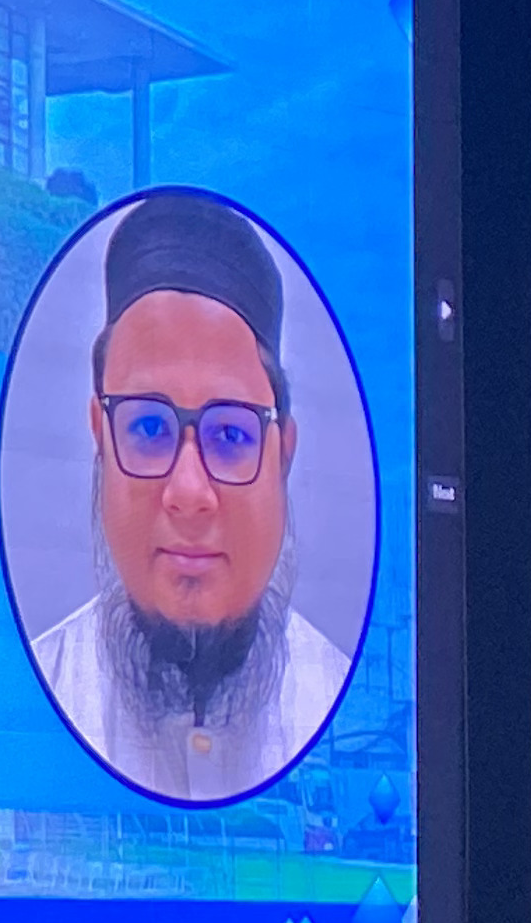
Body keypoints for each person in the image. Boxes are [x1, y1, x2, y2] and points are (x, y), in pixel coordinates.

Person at [27, 192, 352, 803]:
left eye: (230, 435)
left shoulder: (336, 701)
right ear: (100, 438)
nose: (188, 493)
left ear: (283, 454)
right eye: (149, 428)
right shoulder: (39, 691)